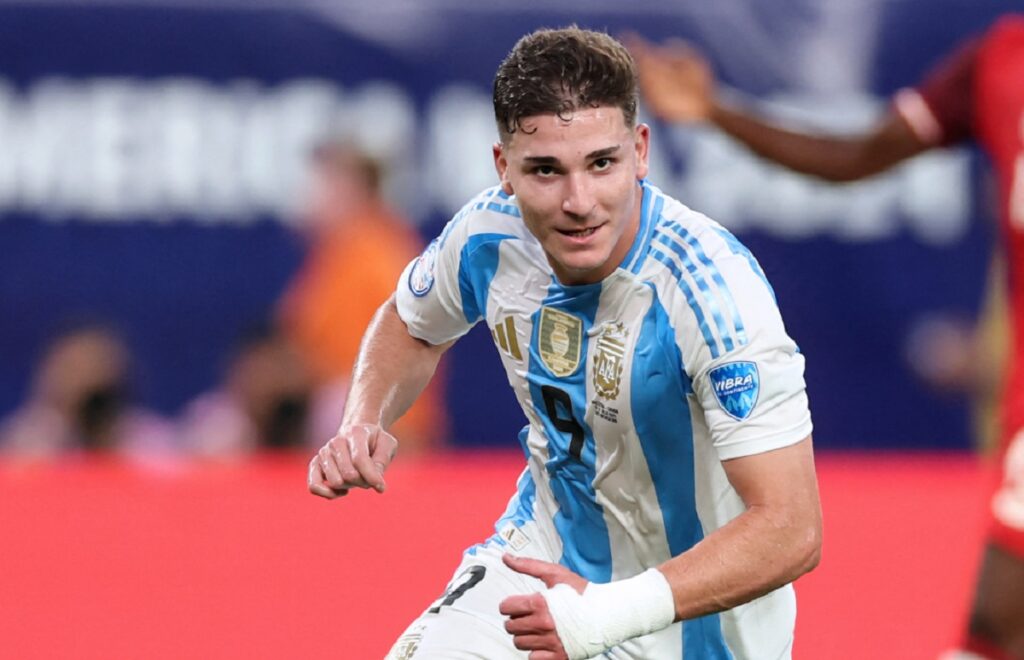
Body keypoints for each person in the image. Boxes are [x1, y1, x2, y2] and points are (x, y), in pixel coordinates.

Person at [308, 27, 822, 659]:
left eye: (601, 163)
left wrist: (606, 613)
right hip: (540, 560)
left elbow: (791, 528)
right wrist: (363, 418)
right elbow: (410, 321)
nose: (579, 202)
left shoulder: (711, 292)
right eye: (546, 171)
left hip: (692, 625)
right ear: (504, 169)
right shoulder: (488, 235)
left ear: (641, 151)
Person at [630, 16, 1024, 658]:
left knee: (998, 618)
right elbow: (857, 156)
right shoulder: (1001, 57)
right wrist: (717, 112)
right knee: (998, 622)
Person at [278, 140, 445, 451]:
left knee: (332, 405)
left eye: (325, 184)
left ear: (354, 189)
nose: (311, 197)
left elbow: (412, 344)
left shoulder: (382, 253)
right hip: (326, 407)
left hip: (383, 422)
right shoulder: (333, 256)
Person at [0, 322, 176, 463]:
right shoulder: (25, 441)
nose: (85, 381)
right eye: (73, 369)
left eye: (96, 368)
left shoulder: (152, 442)